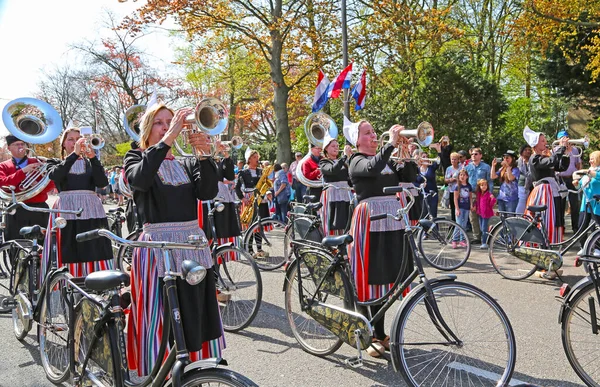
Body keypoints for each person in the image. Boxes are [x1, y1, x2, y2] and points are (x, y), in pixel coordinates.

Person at [124, 103, 224, 376]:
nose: (166, 126)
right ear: (147, 128)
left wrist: (204, 156)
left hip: (191, 246)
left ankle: (191, 371)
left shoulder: (185, 161)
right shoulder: (135, 158)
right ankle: (160, 372)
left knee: (193, 311)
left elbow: (207, 192)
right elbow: (140, 180)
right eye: (159, 122)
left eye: (170, 121)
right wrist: (168, 140)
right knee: (163, 315)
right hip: (158, 249)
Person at [346, 120, 418, 357]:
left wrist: (405, 152)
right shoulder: (356, 160)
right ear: (356, 140)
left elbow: (407, 177)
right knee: (372, 277)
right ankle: (370, 334)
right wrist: (390, 144)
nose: (373, 135)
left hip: (391, 220)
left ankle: (379, 331)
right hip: (370, 221)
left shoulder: (385, 161)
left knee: (388, 275)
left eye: (374, 132)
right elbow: (371, 170)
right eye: (367, 133)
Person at [44, 127, 114, 278]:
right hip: (66, 210)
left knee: (94, 245)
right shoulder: (55, 162)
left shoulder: (90, 162)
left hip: (91, 209)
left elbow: (102, 182)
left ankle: (97, 282)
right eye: (71, 140)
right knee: (68, 247)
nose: (75, 143)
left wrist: (94, 158)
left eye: (78, 139)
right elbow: (55, 175)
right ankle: (67, 281)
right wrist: (74, 155)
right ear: (63, 144)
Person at [523, 127, 569, 278]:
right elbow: (551, 161)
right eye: (542, 141)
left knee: (553, 225)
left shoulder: (544, 157)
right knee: (545, 226)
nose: (546, 143)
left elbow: (560, 166)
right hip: (543, 194)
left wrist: (566, 153)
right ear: (535, 144)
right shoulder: (535, 158)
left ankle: (548, 263)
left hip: (551, 193)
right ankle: (542, 265)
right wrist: (560, 148)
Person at [0, 135, 55, 244]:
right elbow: (2, 183)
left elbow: (52, 184)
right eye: (16, 144)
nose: (20, 147)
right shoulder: (4, 166)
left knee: (42, 245)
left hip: (39, 209)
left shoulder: (39, 162)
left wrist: (38, 185)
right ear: (9, 147)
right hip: (16, 209)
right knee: (15, 244)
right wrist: (23, 171)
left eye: (22, 144)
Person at [197, 143, 241, 250]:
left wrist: (226, 156)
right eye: (207, 139)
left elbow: (230, 176)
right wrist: (214, 152)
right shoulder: (198, 158)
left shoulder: (218, 160)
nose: (209, 142)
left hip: (221, 197)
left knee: (222, 227)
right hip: (207, 197)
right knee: (208, 229)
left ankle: (220, 254)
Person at [319, 135, 353, 235]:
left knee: (346, 221)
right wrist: (345, 157)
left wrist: (352, 159)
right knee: (334, 221)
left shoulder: (342, 162)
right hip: (332, 195)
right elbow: (332, 170)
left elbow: (349, 178)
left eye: (337, 146)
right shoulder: (324, 162)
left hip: (345, 193)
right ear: (326, 148)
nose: (336, 148)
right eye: (333, 146)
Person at [555, 130, 582, 233]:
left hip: (572, 178)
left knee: (574, 204)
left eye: (566, 137)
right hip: (560, 179)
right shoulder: (556, 150)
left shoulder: (574, 150)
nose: (566, 140)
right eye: (563, 138)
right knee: (560, 205)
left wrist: (578, 176)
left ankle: (576, 228)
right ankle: (561, 228)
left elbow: (578, 164)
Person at [573, 151, 600, 253]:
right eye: (590, 158)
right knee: (581, 226)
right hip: (586, 205)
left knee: (596, 228)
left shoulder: (595, 172)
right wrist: (576, 183)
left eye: (592, 158)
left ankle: (597, 249)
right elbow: (581, 184)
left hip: (597, 204)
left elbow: (597, 176)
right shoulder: (588, 171)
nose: (590, 161)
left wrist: (590, 173)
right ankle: (584, 247)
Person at [465, 147, 493, 244]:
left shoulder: (486, 167)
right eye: (472, 154)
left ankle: (484, 236)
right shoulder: (467, 167)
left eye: (476, 154)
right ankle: (476, 236)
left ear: (480, 155)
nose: (473, 156)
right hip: (471, 193)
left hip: (483, 194)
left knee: (483, 215)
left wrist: (490, 194)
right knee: (473, 216)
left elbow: (490, 181)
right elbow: (464, 181)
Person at [416, 144, 441, 218]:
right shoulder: (416, 170)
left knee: (433, 214)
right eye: (423, 157)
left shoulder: (431, 167)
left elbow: (439, 161)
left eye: (427, 157)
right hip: (422, 195)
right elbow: (414, 182)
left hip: (433, 194)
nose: (426, 158)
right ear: (420, 159)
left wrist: (439, 150)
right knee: (424, 214)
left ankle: (434, 229)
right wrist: (420, 186)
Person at [474, 179, 496, 249]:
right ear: (479, 186)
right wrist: (475, 207)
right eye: (482, 185)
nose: (484, 186)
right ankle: (488, 236)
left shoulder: (489, 194)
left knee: (484, 228)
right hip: (480, 213)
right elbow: (477, 203)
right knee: (482, 228)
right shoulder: (479, 194)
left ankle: (484, 243)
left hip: (486, 214)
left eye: (485, 185)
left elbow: (491, 204)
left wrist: (492, 199)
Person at [453, 169, 471, 248]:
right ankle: (454, 240)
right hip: (460, 207)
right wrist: (457, 208)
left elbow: (470, 196)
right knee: (458, 224)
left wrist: (471, 205)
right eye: (461, 175)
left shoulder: (468, 186)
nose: (462, 176)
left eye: (464, 175)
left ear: (467, 176)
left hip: (466, 207)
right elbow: (455, 198)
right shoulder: (457, 186)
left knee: (464, 224)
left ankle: (462, 240)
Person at [444, 152, 461, 222]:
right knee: (453, 208)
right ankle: (453, 223)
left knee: (459, 208)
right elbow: (445, 180)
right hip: (451, 191)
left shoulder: (461, 168)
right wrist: (449, 180)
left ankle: (460, 223)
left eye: (455, 159)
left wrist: (456, 179)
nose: (453, 161)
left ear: (458, 160)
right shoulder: (448, 168)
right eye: (452, 159)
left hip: (459, 191)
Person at [516, 144, 533, 214]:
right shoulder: (519, 161)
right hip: (522, 184)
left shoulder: (532, 160)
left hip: (532, 184)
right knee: (522, 202)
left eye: (529, 150)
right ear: (522, 151)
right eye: (526, 150)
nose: (528, 151)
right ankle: (518, 218)